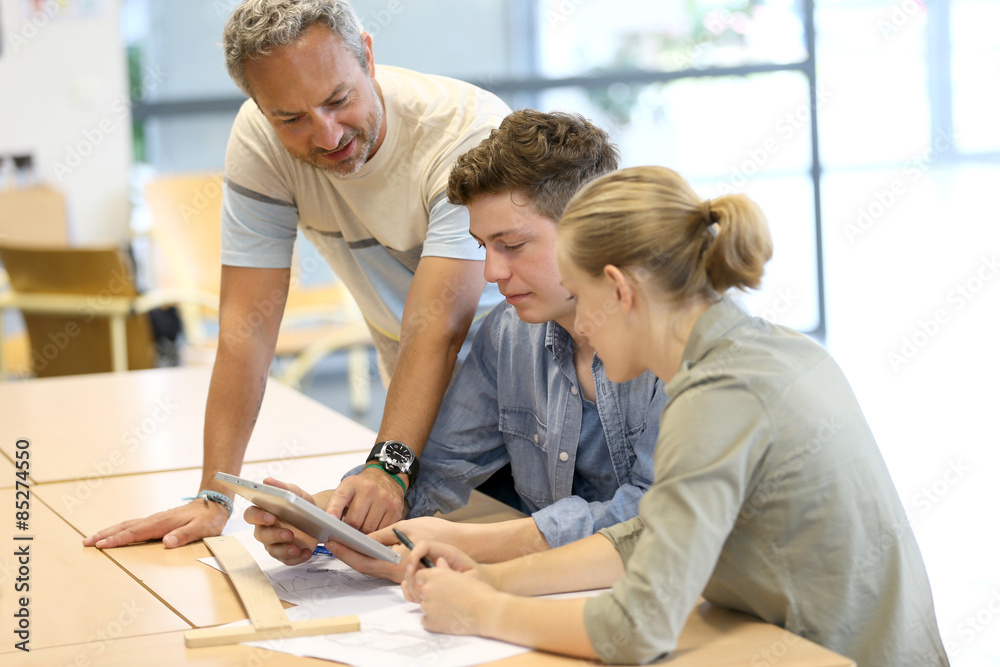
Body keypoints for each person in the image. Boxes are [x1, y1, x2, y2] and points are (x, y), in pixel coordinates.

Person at [398, 166, 950, 667]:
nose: (581, 327)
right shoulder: (770, 351)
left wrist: (481, 612)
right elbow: (655, 535)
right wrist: (491, 580)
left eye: (583, 299)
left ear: (619, 290)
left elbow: (636, 629)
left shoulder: (715, 398)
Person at [83, 0, 510, 550]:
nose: (327, 135)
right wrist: (214, 496)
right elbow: (246, 329)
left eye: (339, 100)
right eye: (291, 118)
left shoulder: (461, 133)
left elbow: (440, 326)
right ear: (260, 108)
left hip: (526, 391)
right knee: (396, 554)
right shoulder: (261, 141)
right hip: (419, 411)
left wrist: (389, 465)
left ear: (369, 57)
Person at [248, 110, 668, 570]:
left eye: (512, 244)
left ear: (589, 230)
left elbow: (658, 519)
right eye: (483, 247)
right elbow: (433, 470)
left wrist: (478, 544)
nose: (492, 273)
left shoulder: (674, 340)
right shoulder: (509, 335)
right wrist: (329, 514)